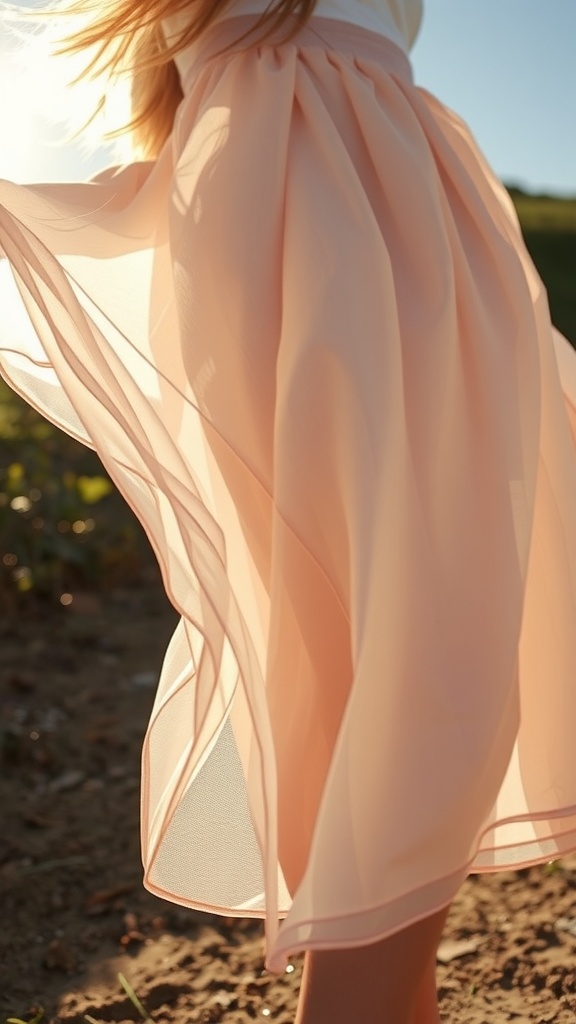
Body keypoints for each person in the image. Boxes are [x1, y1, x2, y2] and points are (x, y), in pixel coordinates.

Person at [1, 1, 576, 1020]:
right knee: (418, 617)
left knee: (342, 630)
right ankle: (363, 995)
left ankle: (383, 989)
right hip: (341, 199)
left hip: (327, 191)